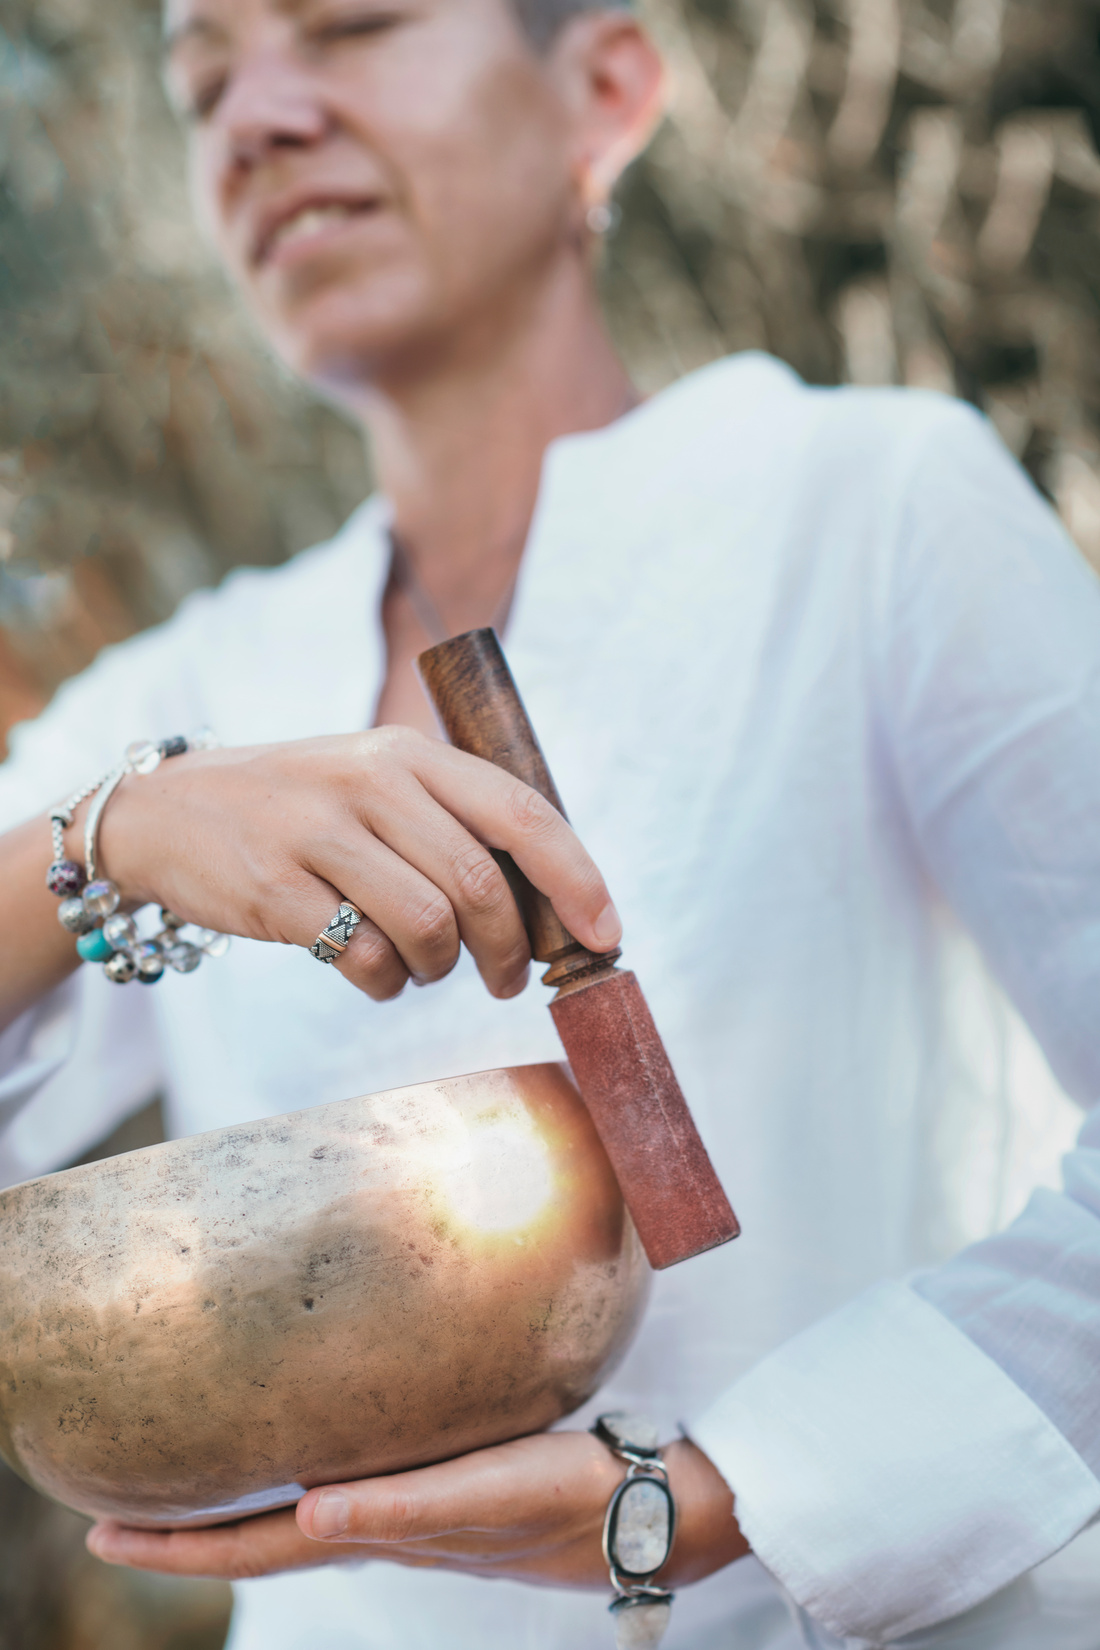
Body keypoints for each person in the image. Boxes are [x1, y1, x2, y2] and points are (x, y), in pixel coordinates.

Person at [2, 0, 1100, 1645]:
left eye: (350, 27)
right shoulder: (196, 688)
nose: (260, 117)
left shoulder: (868, 509)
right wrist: (115, 830)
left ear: (604, 89)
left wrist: (747, 1490)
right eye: (207, 78)